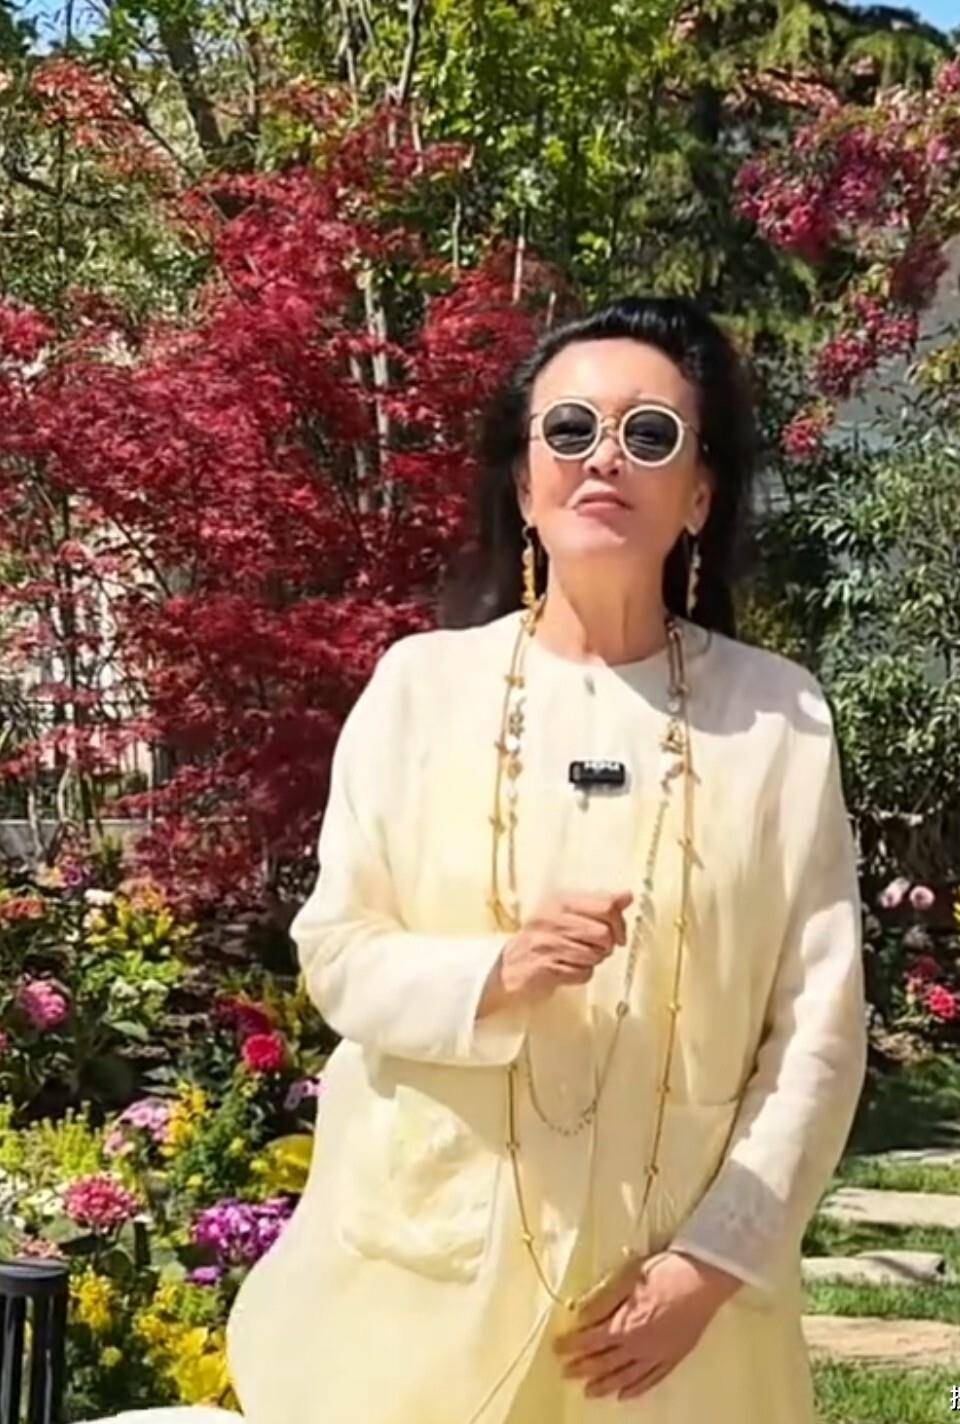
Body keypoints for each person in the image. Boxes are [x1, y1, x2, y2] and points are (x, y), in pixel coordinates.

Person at [91, 294, 868, 1424]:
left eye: (651, 433)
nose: (605, 457)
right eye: (570, 429)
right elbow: (336, 953)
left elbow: (819, 1033)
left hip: (669, 1317)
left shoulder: (779, 719)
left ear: (699, 493)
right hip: (427, 1281)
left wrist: (712, 1263)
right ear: (522, 483)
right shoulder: (421, 689)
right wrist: (496, 972)